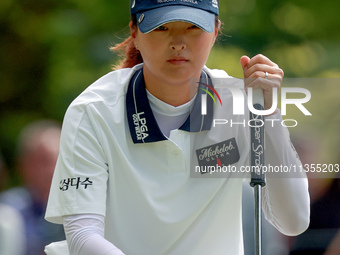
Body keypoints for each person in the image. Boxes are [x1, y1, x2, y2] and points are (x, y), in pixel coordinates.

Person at [45, 1, 310, 255]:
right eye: (162, 27)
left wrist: (270, 114)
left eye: (193, 27)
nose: (178, 43)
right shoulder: (93, 111)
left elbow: (293, 220)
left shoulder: (240, 106)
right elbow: (82, 237)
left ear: (215, 31)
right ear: (135, 33)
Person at [0, 120, 65, 255]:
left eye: (60, 160)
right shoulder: (6, 210)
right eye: (45, 161)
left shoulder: (84, 207)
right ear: (23, 164)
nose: (52, 169)